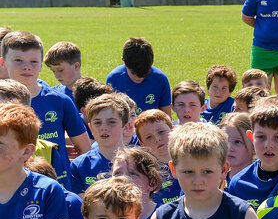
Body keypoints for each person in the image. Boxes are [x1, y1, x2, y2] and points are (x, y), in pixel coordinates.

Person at [2, 31, 91, 185]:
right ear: (3, 63)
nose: (27, 67)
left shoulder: (59, 101)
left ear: (41, 65)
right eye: (18, 60)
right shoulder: (2, 103)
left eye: (33, 61)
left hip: (56, 186)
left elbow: (85, 150)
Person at [67, 93, 130, 194]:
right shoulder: (80, 166)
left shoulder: (140, 162)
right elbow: (83, 206)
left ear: (125, 127)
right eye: (97, 122)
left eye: (111, 122)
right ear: (90, 128)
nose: (103, 127)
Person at [105, 37, 173, 116]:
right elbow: (110, 115)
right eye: (134, 73)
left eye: (145, 73)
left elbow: (167, 116)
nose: (139, 77)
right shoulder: (114, 79)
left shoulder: (160, 79)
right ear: (124, 62)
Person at [111, 146, 162, 219]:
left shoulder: (164, 218)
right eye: (117, 173)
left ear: (152, 183)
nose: (123, 178)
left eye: (133, 174)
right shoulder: (104, 216)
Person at [135, 109, 181, 206]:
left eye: (161, 132)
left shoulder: (191, 160)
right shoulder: (144, 173)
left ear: (173, 130)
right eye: (149, 137)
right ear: (142, 145)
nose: (157, 139)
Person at [221, 112, 256, 181]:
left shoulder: (258, 184)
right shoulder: (215, 179)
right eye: (225, 140)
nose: (229, 148)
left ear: (254, 146)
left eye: (237, 142)